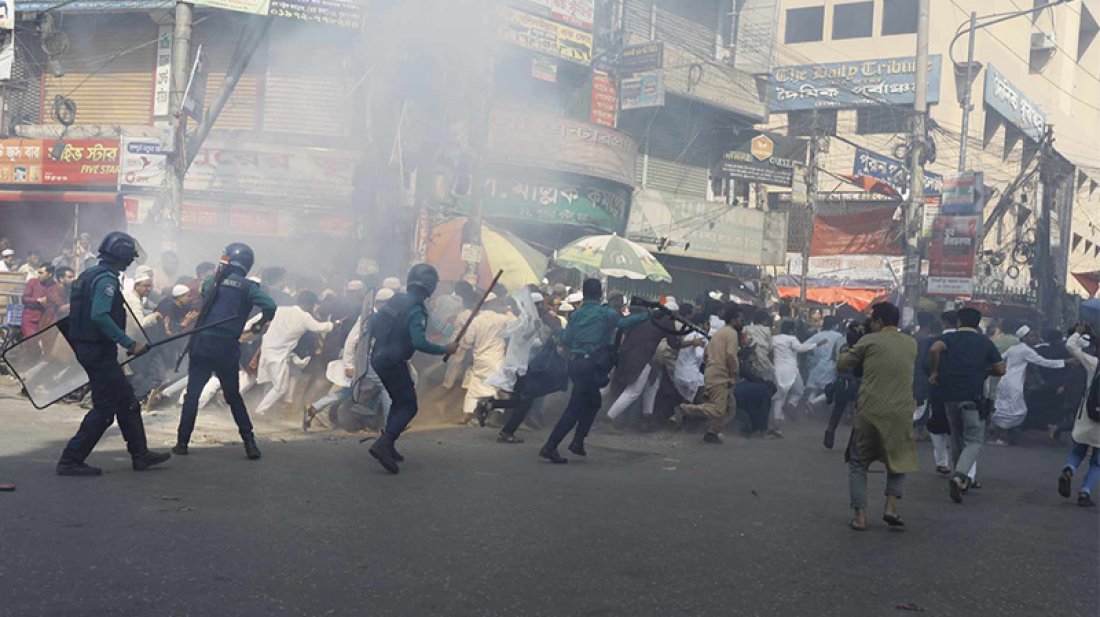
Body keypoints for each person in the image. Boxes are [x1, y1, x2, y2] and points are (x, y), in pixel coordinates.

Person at [55, 232, 171, 476]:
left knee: (127, 402)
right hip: (97, 351)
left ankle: (140, 455)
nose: (131, 261)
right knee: (105, 409)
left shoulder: (91, 274)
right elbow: (99, 316)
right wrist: (130, 343)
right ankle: (70, 460)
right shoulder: (106, 280)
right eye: (129, 256)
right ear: (122, 256)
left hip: (93, 348)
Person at [173, 243, 277, 459]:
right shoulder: (249, 288)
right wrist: (260, 324)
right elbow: (270, 306)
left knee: (192, 395)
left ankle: (182, 443)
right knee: (233, 397)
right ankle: (250, 443)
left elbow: (204, 292)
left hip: (202, 344)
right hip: (226, 348)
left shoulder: (212, 282)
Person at [539, 278, 651, 464]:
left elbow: (566, 339)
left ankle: (577, 442)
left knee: (593, 402)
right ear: (600, 294)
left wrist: (558, 331)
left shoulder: (576, 315)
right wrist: (648, 316)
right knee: (575, 408)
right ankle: (550, 446)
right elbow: (624, 323)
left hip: (576, 364)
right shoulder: (605, 313)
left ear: (584, 293)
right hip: (589, 365)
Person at [367, 264, 458, 474]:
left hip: (379, 358)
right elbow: (419, 342)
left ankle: (388, 444)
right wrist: (445, 348)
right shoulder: (416, 309)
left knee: (399, 401)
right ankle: (384, 443)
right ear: (431, 286)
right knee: (409, 406)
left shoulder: (396, 300)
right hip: (393, 362)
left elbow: (372, 325)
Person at [836, 302, 917, 531]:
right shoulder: (911, 344)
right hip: (901, 412)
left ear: (879, 321)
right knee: (898, 461)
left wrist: (851, 344)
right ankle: (890, 507)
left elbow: (842, 365)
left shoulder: (868, 340)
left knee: (859, 462)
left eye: (872, 320)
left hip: (870, 411)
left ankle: (860, 516)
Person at [929, 307, 1006, 503]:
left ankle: (959, 477)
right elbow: (1001, 368)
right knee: (973, 440)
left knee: (956, 437)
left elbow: (934, 349)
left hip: (950, 396)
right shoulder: (985, 342)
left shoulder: (949, 339)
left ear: (959, 322)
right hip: (973, 397)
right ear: (978, 323)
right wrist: (986, 372)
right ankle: (960, 475)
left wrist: (935, 371)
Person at [305, 288, 394, 431]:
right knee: (385, 387)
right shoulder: (367, 317)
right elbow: (351, 342)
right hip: (364, 363)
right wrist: (349, 365)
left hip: (372, 362)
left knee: (351, 391)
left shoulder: (379, 317)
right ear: (382, 303)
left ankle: (316, 407)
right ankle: (389, 424)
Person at [606, 299, 687, 430]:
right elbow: (674, 344)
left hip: (628, 354)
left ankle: (647, 417)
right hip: (641, 357)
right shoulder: (667, 321)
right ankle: (609, 418)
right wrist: (689, 342)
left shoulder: (646, 317)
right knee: (633, 391)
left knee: (653, 384)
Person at [254, 289, 334, 418]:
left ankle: (264, 407)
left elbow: (259, 318)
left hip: (267, 349)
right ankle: (260, 411)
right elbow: (319, 327)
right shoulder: (304, 316)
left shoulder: (280, 309)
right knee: (280, 387)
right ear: (308, 304)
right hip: (278, 354)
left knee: (271, 381)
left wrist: (245, 330)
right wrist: (334, 324)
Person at [671, 303, 742, 444]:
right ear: (733, 321)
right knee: (717, 410)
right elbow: (730, 355)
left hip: (712, 372)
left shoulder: (718, 334)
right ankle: (683, 410)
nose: (742, 322)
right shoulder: (732, 333)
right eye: (740, 319)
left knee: (730, 409)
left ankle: (712, 432)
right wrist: (734, 372)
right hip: (720, 375)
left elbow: (706, 354)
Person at [989, 325, 1068, 444]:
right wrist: (1064, 362)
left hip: (1005, 381)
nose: (1034, 338)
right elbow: (1043, 362)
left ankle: (995, 432)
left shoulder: (1013, 349)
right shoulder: (1025, 350)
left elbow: (999, 359)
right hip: (1014, 384)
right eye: (1031, 336)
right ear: (1024, 338)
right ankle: (1000, 436)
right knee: (1015, 411)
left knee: (1004, 409)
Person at [456, 293, 516, 426]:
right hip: (496, 359)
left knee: (475, 387)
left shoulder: (476, 320)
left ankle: (468, 413)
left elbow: (468, 340)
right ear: (493, 303)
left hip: (479, 359)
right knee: (498, 389)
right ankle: (493, 418)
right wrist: (509, 311)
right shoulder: (502, 319)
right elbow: (517, 325)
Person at [1057, 325, 1099, 507]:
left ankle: (1068, 470)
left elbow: (1071, 346)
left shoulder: (1094, 363)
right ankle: (1085, 492)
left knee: (1078, 449)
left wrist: (1079, 331)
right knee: (1098, 462)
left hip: (1088, 415)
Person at [771, 319, 826, 422]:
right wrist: (815, 345)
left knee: (780, 394)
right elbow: (800, 348)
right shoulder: (792, 339)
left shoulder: (774, 339)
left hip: (778, 369)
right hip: (791, 370)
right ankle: (791, 404)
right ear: (791, 330)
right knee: (799, 390)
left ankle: (777, 417)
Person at [20, 264, 55, 338]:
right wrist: (37, 300)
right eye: (38, 272)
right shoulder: (32, 282)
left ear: (50, 274)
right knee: (32, 340)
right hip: (29, 318)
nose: (38, 275)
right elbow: (24, 298)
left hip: (44, 320)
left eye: (41, 273)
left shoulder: (54, 285)